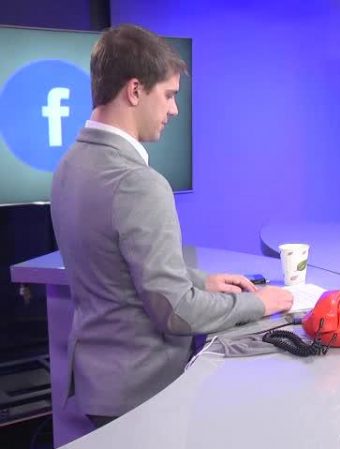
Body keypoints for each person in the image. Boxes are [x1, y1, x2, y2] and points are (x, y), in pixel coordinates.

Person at [49, 24, 293, 428]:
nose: (174, 109)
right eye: (168, 94)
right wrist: (261, 304)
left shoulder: (70, 165)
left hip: (99, 382)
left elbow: (117, 271)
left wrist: (201, 280)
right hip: (141, 390)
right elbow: (177, 312)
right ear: (134, 90)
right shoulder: (137, 183)